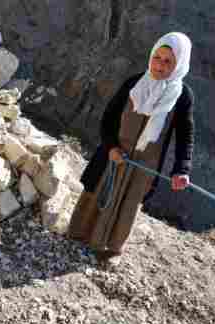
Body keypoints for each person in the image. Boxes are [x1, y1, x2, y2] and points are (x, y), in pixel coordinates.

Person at [69, 32, 195, 261]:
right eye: (157, 57)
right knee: (100, 191)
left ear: (180, 64)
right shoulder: (135, 82)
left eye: (168, 61)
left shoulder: (182, 96)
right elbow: (108, 118)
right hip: (115, 154)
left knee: (128, 203)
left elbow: (185, 135)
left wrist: (181, 170)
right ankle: (78, 234)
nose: (160, 65)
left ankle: (109, 249)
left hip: (144, 165)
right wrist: (111, 148)